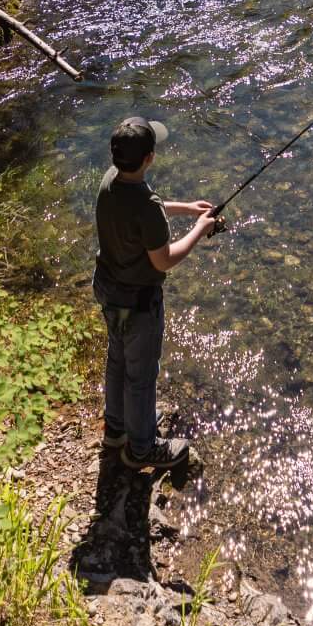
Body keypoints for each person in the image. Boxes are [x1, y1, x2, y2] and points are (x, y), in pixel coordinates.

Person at [93, 115, 223, 471]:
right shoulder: (147, 208)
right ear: (150, 158)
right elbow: (164, 260)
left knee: (117, 360)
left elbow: (144, 205)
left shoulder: (110, 180)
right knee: (141, 375)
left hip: (107, 289)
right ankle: (141, 448)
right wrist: (199, 228)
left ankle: (116, 428)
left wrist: (183, 208)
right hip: (137, 304)